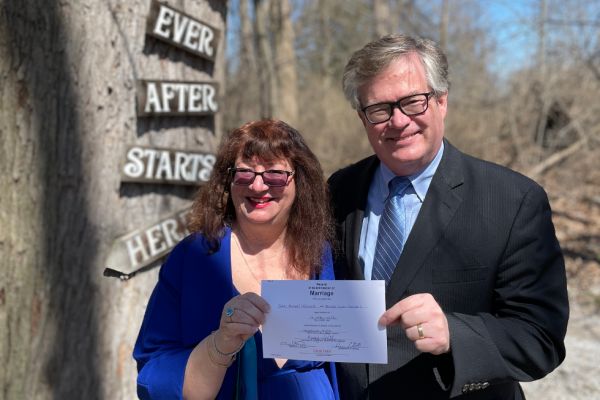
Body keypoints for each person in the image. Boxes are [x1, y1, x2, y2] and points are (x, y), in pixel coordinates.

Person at [328, 34, 569, 399]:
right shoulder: (340, 190)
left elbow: (540, 337)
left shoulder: (512, 201)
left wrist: (454, 335)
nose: (397, 121)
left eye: (412, 102)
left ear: (441, 101)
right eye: (379, 109)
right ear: (363, 118)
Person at [133, 119, 339, 399]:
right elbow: (154, 374)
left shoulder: (323, 254)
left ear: (299, 181)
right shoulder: (193, 257)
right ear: (227, 182)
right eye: (244, 174)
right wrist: (221, 343)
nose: (257, 186)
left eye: (275, 175)